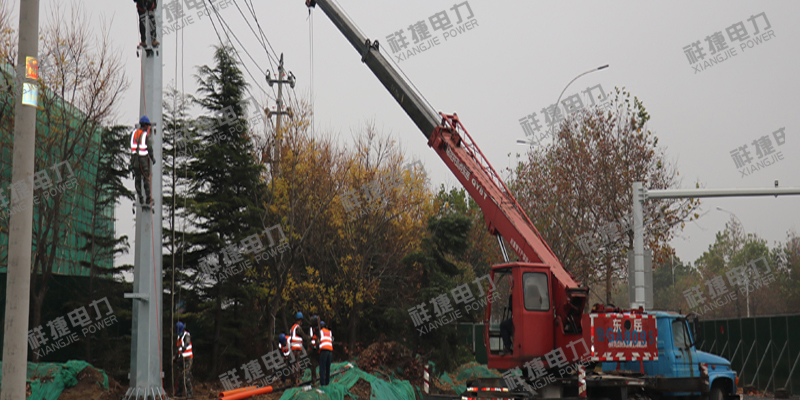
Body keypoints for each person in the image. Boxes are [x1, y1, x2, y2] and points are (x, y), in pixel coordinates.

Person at [131, 116, 155, 209]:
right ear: (145, 126)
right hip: (143, 160)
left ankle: (140, 198)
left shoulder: (134, 134)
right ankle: (148, 198)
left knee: (137, 180)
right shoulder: (145, 135)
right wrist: (152, 158)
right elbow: (149, 148)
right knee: (146, 178)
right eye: (148, 126)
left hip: (134, 160)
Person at [288, 312, 310, 385]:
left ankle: (294, 380)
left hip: (292, 348)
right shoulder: (297, 327)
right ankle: (297, 380)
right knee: (297, 365)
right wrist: (310, 338)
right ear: (300, 320)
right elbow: (303, 335)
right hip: (297, 348)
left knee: (293, 365)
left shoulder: (292, 327)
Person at [175, 321, 193, 398]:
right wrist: (175, 357)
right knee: (180, 377)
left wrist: (183, 348)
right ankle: (179, 393)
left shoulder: (187, 335)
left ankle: (190, 394)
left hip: (188, 358)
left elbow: (186, 343)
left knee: (186, 376)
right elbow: (178, 349)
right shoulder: (179, 337)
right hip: (181, 359)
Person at [318, 321, 333, 386]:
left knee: (322, 367)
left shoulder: (320, 331)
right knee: (328, 367)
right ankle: (327, 382)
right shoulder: (329, 332)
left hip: (324, 350)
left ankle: (322, 384)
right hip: (330, 350)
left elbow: (318, 341)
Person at [307, 315, 320, 386]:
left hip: (319, 349)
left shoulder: (319, 329)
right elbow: (309, 339)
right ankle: (314, 381)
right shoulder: (311, 330)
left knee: (321, 365)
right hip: (313, 350)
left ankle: (321, 379)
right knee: (313, 366)